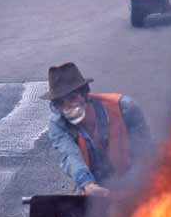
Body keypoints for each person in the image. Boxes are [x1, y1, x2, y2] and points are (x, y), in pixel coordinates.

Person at [44, 62, 150, 195]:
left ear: (85, 94)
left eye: (72, 98)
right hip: (93, 186)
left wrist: (133, 187)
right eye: (60, 102)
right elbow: (70, 155)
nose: (68, 107)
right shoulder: (58, 124)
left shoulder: (125, 107)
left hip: (131, 180)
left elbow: (145, 151)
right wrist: (87, 184)